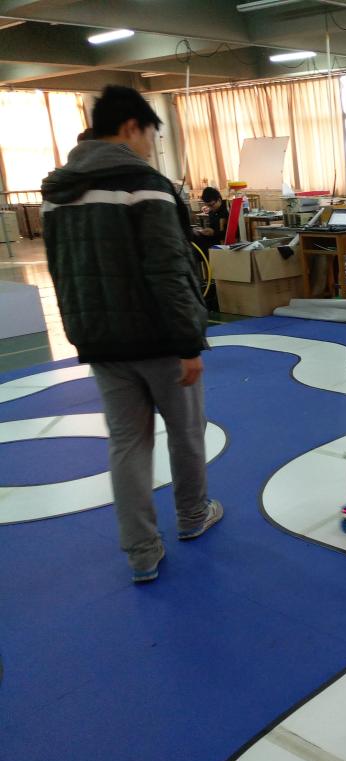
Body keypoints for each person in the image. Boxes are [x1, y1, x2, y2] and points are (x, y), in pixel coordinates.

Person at [41, 85, 222, 584]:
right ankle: (193, 515)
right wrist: (189, 342)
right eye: (149, 136)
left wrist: (82, 332)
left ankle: (142, 552)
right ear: (129, 127)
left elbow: (61, 271)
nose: (149, 147)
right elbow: (170, 268)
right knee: (186, 432)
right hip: (158, 339)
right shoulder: (146, 186)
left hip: (100, 341)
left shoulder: (56, 193)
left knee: (126, 444)